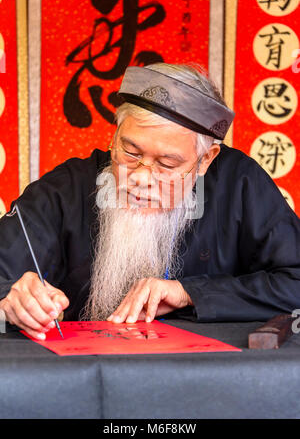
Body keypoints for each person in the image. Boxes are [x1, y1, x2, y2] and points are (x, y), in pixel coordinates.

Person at [0, 62, 299, 340]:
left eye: (166, 165)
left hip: (210, 379)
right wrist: (11, 297)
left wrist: (190, 293)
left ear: (205, 160)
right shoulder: (66, 188)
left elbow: (294, 281)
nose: (141, 178)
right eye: (130, 153)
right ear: (116, 134)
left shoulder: (240, 184)